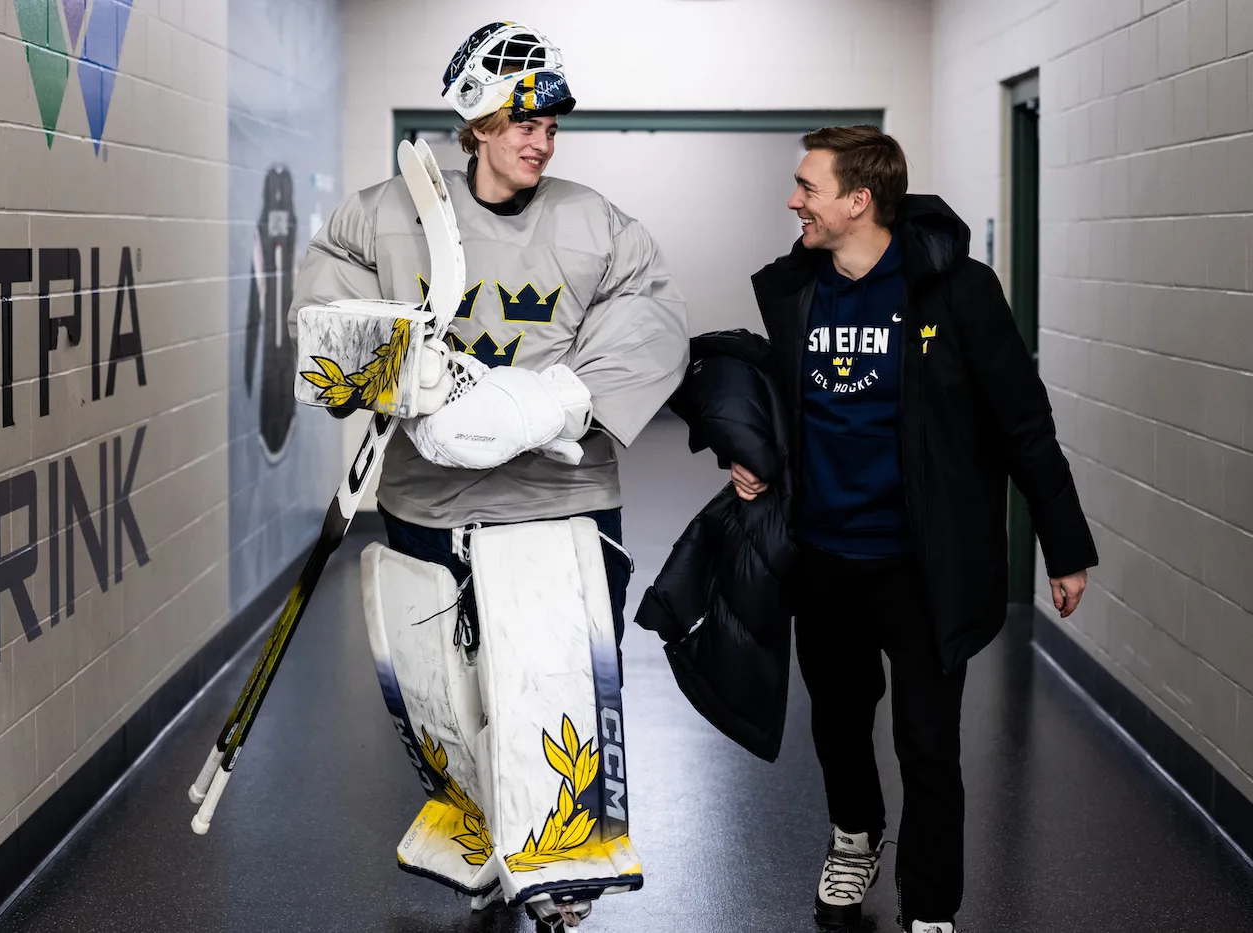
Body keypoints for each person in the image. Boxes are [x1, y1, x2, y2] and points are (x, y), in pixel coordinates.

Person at [287, 22, 688, 931]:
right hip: (428, 502)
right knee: (449, 685)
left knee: (555, 687)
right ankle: (483, 829)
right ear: (474, 122)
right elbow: (323, 306)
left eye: (550, 126)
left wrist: (561, 399)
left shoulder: (594, 222)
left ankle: (555, 865)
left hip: (562, 503)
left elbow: (655, 315)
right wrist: (406, 375)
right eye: (520, 122)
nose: (540, 140)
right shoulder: (387, 214)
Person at [733, 125, 1098, 933]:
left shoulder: (954, 289)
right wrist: (751, 456)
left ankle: (931, 906)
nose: (794, 200)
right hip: (825, 555)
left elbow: (1024, 422)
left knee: (928, 742)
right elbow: (779, 402)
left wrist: (1063, 544)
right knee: (837, 720)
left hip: (921, 562)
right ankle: (855, 835)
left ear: (859, 200)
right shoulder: (797, 289)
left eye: (808, 187)